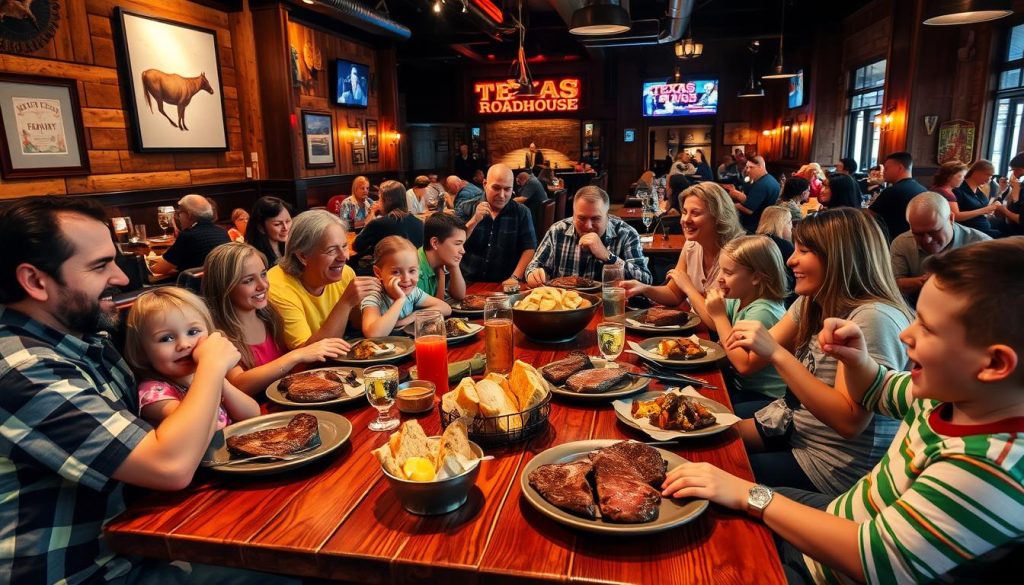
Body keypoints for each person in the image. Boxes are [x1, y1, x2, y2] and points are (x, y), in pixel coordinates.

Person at [664, 238, 1024, 584]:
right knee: (699, 496)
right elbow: (879, 388)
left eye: (927, 328)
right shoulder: (947, 396)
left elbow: (877, 560)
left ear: (993, 363)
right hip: (838, 517)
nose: (905, 335)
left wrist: (751, 494)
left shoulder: (988, 466)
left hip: (829, 571)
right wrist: (858, 360)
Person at [0, 197, 294, 583]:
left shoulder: (90, 341)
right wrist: (209, 367)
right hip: (87, 572)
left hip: (143, 545)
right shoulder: (23, 370)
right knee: (284, 571)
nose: (122, 278)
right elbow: (168, 466)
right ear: (36, 281)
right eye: (100, 265)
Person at [723, 208, 913, 497]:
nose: (791, 259)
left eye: (805, 250)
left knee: (722, 469)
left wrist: (777, 353)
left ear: (840, 257)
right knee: (703, 440)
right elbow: (753, 354)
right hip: (797, 432)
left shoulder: (873, 318)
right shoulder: (813, 299)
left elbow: (849, 422)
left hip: (833, 468)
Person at [202, 242, 352, 396]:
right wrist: (296, 355)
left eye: (263, 274)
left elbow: (292, 372)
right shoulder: (217, 335)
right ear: (223, 287)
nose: (263, 285)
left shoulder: (271, 316)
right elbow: (239, 384)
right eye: (248, 280)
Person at [124, 287, 260, 428]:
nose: (184, 344)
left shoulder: (209, 373)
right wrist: (210, 374)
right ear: (143, 353)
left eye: (193, 331)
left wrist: (218, 377)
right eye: (166, 338)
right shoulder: (153, 392)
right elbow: (203, 425)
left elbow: (252, 413)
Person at [268, 210, 380, 349]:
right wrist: (345, 302)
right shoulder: (278, 288)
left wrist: (381, 298)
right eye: (331, 250)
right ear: (303, 256)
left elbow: (360, 325)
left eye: (344, 246)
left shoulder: (345, 273)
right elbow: (308, 355)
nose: (344, 257)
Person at [698, 236, 789, 405]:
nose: (720, 278)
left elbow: (744, 365)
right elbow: (719, 329)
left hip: (767, 398)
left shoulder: (764, 311)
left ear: (756, 277)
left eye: (728, 272)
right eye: (720, 269)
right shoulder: (739, 299)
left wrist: (719, 315)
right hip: (741, 387)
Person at [622, 182, 745, 303]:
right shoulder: (691, 246)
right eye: (685, 212)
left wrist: (688, 287)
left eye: (695, 213)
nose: (685, 220)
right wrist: (644, 288)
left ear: (718, 217)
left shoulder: (738, 255)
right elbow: (674, 293)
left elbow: (720, 317)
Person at [525, 186, 653, 286]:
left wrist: (607, 256)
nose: (588, 226)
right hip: (566, 310)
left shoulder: (626, 234)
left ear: (607, 215)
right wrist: (534, 274)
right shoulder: (558, 231)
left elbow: (646, 280)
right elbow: (533, 267)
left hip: (608, 309)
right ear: (573, 215)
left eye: (596, 218)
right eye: (581, 218)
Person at [890, 192, 990, 306]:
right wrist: (925, 281)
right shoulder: (902, 243)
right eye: (918, 234)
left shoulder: (981, 245)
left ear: (951, 218)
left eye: (934, 231)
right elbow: (893, 285)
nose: (927, 240)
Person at [457, 164, 537, 285]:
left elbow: (529, 249)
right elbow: (453, 244)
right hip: (467, 282)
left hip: (504, 283)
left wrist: (515, 278)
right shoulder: (466, 207)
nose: (501, 195)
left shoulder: (522, 212)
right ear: (485, 184)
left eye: (507, 189)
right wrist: (474, 221)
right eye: (496, 188)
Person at [360, 236, 452, 337]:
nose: (406, 279)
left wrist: (410, 318)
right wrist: (400, 300)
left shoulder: (413, 293)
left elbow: (445, 308)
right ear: (378, 273)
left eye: (412, 271)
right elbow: (373, 334)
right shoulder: (373, 297)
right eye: (396, 272)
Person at [351, 180, 425, 275]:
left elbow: (357, 246)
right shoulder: (419, 223)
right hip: (413, 274)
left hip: (385, 275)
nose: (378, 202)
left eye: (379, 198)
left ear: (387, 201)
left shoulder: (379, 224)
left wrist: (371, 217)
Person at [150, 194, 231, 275]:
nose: (179, 217)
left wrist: (148, 264)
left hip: (194, 286)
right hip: (221, 284)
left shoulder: (188, 236)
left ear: (189, 214)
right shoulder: (222, 232)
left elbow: (159, 269)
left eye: (179, 213)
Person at [868, 151, 927, 241]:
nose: (883, 172)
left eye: (886, 168)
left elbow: (870, 216)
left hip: (892, 242)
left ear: (900, 168)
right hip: (916, 241)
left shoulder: (892, 191)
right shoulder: (923, 189)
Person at [418, 213, 467, 301]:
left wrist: (454, 266)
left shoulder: (439, 261)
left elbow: (459, 296)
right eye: (458, 244)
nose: (463, 251)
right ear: (435, 243)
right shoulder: (415, 270)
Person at [727, 155, 781, 233]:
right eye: (747, 167)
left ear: (760, 166)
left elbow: (749, 210)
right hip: (764, 223)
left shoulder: (762, 184)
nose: (748, 170)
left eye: (751, 167)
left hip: (753, 226)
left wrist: (731, 205)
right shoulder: (771, 179)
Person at [755, 206, 797, 305]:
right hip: (782, 299)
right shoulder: (784, 246)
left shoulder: (753, 241)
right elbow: (795, 277)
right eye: (789, 222)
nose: (792, 227)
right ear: (781, 224)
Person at [953, 159, 1002, 237]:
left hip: (984, 228)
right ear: (976, 172)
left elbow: (982, 211)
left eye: (991, 176)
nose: (989, 179)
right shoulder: (958, 189)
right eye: (987, 175)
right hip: (971, 232)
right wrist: (985, 210)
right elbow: (956, 217)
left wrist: (991, 209)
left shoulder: (980, 189)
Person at [245, 196, 293, 266]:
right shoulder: (253, 258)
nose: (285, 228)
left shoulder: (291, 248)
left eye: (288, 221)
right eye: (277, 224)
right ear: (261, 227)